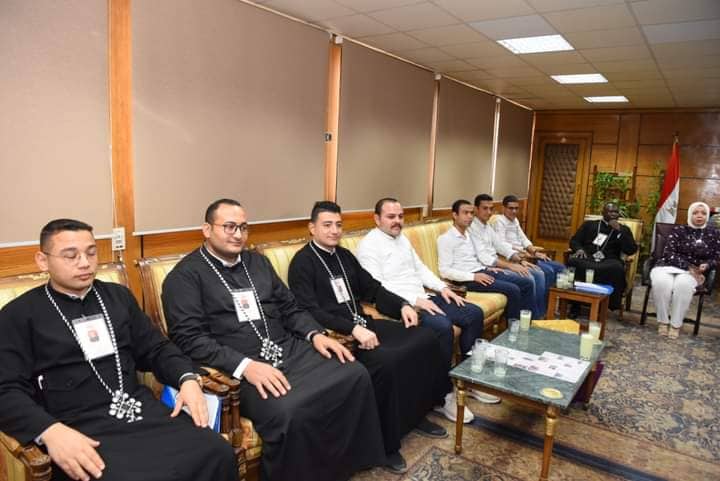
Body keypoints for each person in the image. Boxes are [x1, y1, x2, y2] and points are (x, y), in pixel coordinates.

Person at [161, 199, 386, 481]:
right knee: (289, 410)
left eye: (243, 227)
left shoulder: (257, 262)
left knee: (355, 374)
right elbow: (189, 339)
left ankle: (345, 465)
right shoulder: (184, 277)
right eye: (229, 227)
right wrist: (246, 367)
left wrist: (315, 334)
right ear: (207, 229)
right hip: (239, 367)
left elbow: (290, 307)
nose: (238, 234)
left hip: (288, 349)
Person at [0, 219, 236, 481]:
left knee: (217, 452)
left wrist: (187, 378)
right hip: (76, 429)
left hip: (140, 411)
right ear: (43, 261)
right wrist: (49, 431)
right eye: (71, 255)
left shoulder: (117, 297)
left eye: (91, 253)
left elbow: (156, 348)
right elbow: (6, 389)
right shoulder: (18, 315)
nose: (84, 263)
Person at [287, 201, 449, 474]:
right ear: (312, 228)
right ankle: (386, 445)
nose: (334, 230)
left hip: (363, 323)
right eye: (327, 225)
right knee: (386, 362)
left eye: (338, 225)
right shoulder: (302, 263)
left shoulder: (344, 255)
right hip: (339, 336)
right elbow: (309, 310)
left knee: (425, 339)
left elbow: (372, 288)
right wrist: (351, 329)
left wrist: (402, 305)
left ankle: (415, 415)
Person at [356, 198, 498, 413]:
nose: (397, 221)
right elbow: (376, 287)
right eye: (391, 217)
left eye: (400, 216)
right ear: (377, 219)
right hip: (401, 306)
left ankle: (467, 381)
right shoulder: (369, 245)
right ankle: (442, 396)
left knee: (473, 313)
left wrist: (443, 288)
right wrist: (413, 302)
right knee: (442, 327)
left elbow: (420, 269)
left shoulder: (401, 238)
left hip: (424, 296)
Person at [437, 200, 535, 321]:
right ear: (455, 215)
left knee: (526, 282)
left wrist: (489, 268)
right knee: (513, 289)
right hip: (466, 280)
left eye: (471, 213)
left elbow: (479, 256)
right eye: (465, 213)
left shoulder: (469, 235)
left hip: (482, 271)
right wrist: (473, 276)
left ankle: (527, 323)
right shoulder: (446, 239)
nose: (469, 216)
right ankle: (514, 327)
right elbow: (444, 271)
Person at [651, 202, 720, 338]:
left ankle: (676, 324)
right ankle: (663, 322)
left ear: (707, 216)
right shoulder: (679, 230)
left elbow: (717, 256)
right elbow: (669, 253)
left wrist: (707, 265)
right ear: (689, 214)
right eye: (695, 212)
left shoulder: (714, 234)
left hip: (693, 272)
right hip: (668, 266)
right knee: (661, 282)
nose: (699, 216)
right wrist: (689, 266)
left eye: (703, 213)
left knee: (683, 285)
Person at [468, 194, 543, 317]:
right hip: (487, 268)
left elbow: (500, 245)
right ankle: (528, 320)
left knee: (536, 272)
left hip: (496, 264)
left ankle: (535, 317)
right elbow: (483, 257)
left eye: (491, 209)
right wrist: (510, 266)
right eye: (485, 208)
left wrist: (519, 260)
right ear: (476, 209)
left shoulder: (486, 226)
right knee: (528, 279)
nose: (489, 212)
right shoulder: (472, 227)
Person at [568, 202, 638, 311]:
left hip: (609, 260)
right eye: (611, 211)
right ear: (603, 213)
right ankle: (575, 303)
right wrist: (579, 249)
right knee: (574, 262)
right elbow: (574, 241)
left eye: (616, 212)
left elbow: (631, 250)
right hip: (588, 257)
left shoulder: (624, 230)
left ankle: (609, 305)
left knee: (617, 268)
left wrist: (620, 231)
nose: (614, 214)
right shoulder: (589, 225)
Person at [493, 194, 566, 289]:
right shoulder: (499, 221)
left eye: (516, 208)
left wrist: (535, 252)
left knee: (560, 267)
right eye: (511, 208)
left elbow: (524, 239)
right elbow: (501, 244)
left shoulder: (515, 220)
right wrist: (521, 252)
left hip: (527, 256)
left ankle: (554, 297)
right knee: (548, 271)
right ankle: (542, 299)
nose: (514, 211)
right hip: (515, 258)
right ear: (503, 208)